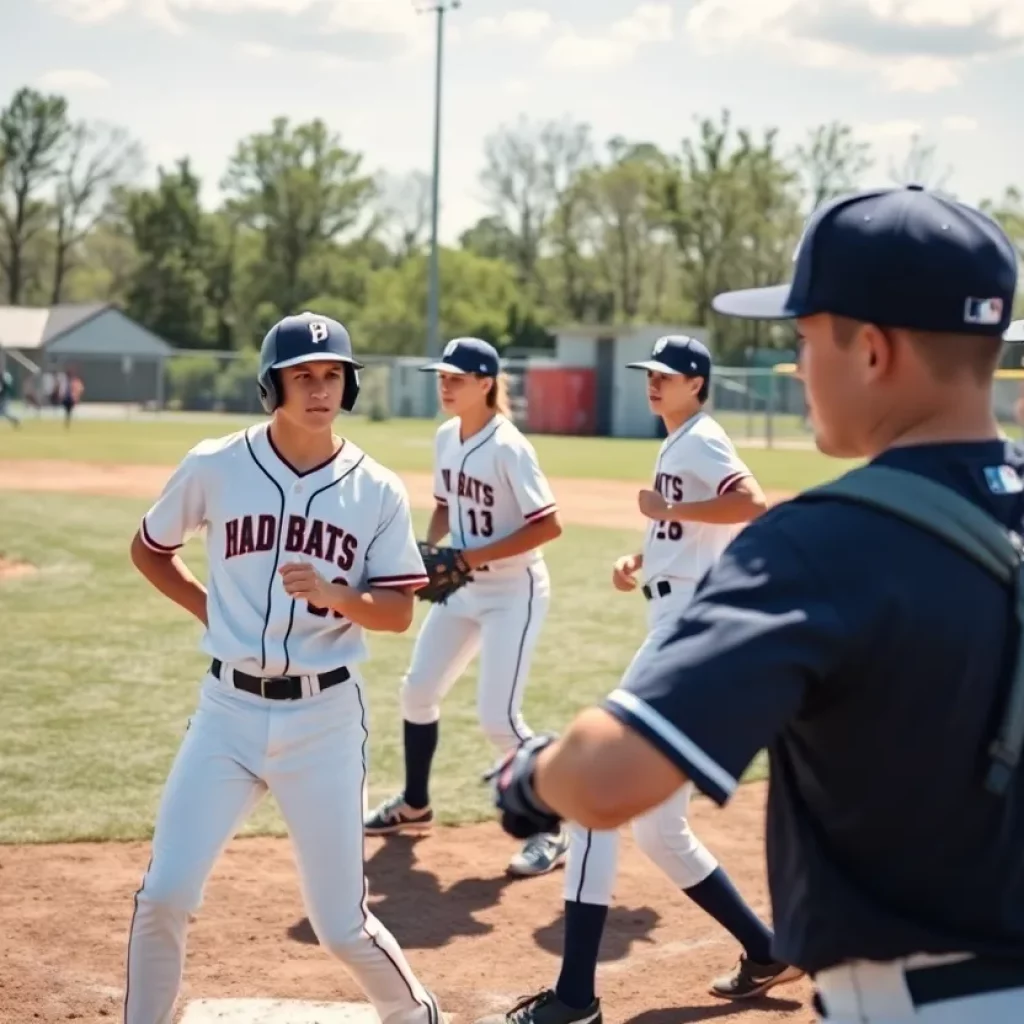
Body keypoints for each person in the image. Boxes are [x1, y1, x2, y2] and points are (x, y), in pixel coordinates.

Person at [488, 185, 1024, 1022]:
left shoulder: (824, 543)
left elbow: (608, 779)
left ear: (874, 351)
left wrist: (528, 775)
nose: (797, 367)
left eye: (805, 339)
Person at [124, 312, 442, 1024]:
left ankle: (417, 1015)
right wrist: (211, 611)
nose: (320, 388)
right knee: (165, 893)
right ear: (273, 385)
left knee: (340, 924)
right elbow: (149, 549)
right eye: (304, 375)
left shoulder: (377, 490)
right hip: (227, 714)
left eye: (333, 375)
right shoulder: (216, 464)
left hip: (324, 719)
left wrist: (337, 595)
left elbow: (396, 614)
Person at [481, 335, 800, 1024]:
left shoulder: (701, 438)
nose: (653, 383)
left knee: (596, 803)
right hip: (682, 622)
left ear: (697, 383)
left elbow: (750, 502)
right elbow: (691, 533)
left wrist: (669, 513)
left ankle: (575, 997)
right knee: (660, 830)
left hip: (684, 634)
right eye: (650, 374)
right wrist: (643, 558)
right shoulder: (683, 439)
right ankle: (766, 949)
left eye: (667, 375)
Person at [364, 336, 568, 878]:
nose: (445, 385)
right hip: (465, 587)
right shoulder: (446, 437)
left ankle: (553, 827)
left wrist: (469, 553)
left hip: (513, 591)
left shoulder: (509, 446)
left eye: (457, 377)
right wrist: (430, 556)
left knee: (498, 718)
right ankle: (414, 804)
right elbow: (443, 506)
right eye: (442, 376)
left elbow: (548, 524)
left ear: (486, 384)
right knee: (417, 690)